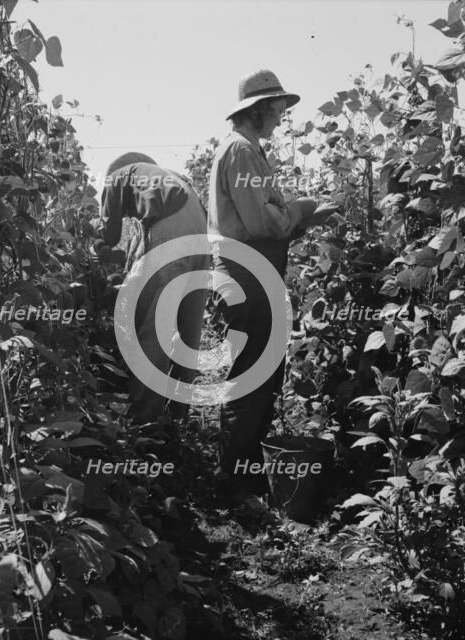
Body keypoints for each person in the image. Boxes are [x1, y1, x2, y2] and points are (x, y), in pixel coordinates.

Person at [208, 69, 335, 505]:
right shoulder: (241, 152)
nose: (281, 117)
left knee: (262, 374)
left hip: (255, 273)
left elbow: (266, 221)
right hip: (247, 276)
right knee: (251, 377)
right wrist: (302, 209)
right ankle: (233, 483)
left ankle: (245, 473)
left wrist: (298, 216)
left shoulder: (248, 151)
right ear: (258, 109)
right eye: (278, 109)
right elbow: (263, 222)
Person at [94, 152, 210, 423]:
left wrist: (98, 247)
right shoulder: (172, 179)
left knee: (153, 329)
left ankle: (147, 421)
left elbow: (109, 235)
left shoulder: (117, 179)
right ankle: (179, 414)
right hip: (201, 238)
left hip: (173, 236)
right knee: (188, 331)